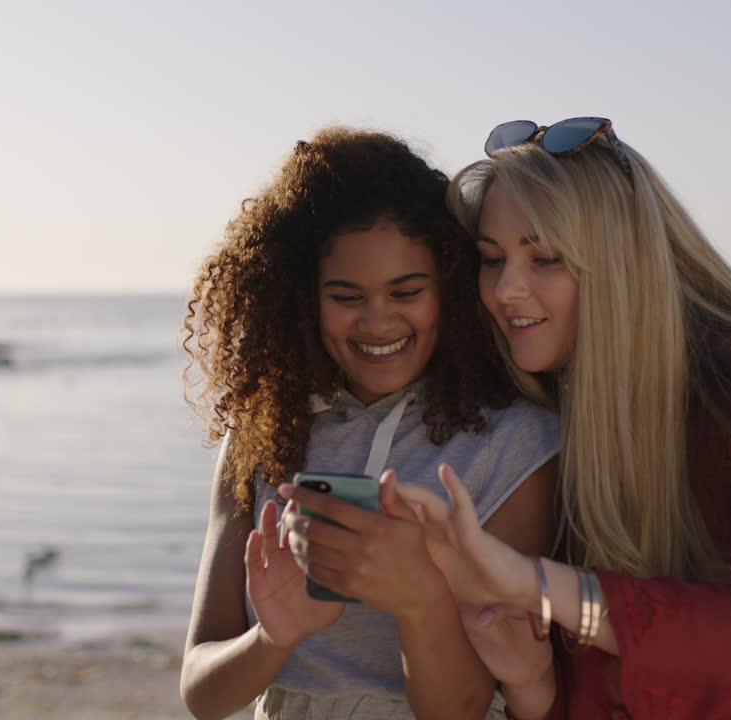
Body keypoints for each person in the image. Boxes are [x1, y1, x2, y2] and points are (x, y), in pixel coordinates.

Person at [395, 117, 731, 719]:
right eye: (492, 258)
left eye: (544, 258)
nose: (506, 289)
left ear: (620, 264)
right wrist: (531, 687)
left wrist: (531, 582)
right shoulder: (543, 410)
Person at [179, 127, 560, 720]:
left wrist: (419, 599)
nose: (377, 321)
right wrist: (274, 637)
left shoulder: (514, 442)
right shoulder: (261, 434)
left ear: (452, 289)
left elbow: (465, 707)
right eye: (346, 296)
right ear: (302, 297)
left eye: (407, 290)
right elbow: (201, 692)